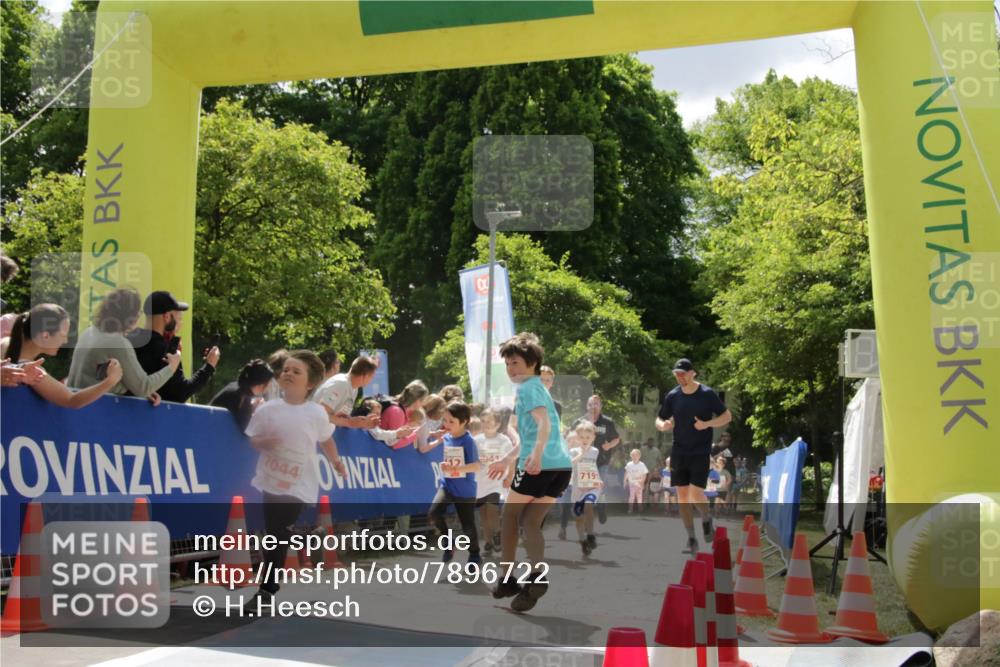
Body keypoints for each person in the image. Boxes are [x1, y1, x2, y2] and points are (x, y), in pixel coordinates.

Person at [243, 350, 346, 611]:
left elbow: (326, 438)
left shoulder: (316, 413)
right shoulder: (268, 409)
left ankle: (266, 590)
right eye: (286, 369)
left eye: (296, 371)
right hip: (271, 479)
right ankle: (309, 537)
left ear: (310, 384)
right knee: (274, 532)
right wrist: (264, 442)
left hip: (299, 483)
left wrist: (336, 461)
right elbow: (253, 439)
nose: (288, 373)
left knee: (277, 534)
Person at [489, 332, 571, 613]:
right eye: (508, 364)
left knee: (510, 516)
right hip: (561, 467)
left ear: (533, 363)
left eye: (515, 363)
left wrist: (535, 455)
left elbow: (543, 423)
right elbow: (531, 434)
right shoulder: (539, 387)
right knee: (531, 522)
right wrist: (507, 459)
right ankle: (536, 577)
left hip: (540, 464)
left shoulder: (527, 389)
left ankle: (508, 578)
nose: (511, 369)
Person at [655, 358, 732, 554]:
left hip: (700, 451)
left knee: (696, 494)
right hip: (679, 451)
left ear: (692, 373)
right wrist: (662, 425)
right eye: (677, 374)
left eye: (683, 373)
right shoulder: (673, 396)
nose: (680, 377)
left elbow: (726, 416)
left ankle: (706, 517)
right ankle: (691, 539)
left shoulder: (706, 394)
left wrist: (707, 424)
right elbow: (660, 418)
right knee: (682, 497)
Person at [0, 304, 124, 408]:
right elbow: (72, 400)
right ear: (45, 336)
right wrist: (111, 380)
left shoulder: (6, 349)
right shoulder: (33, 372)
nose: (65, 341)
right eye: (63, 335)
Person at [67, 287, 180, 401]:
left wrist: (135, 390)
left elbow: (95, 376)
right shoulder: (117, 343)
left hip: (78, 404)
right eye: (138, 312)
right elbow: (144, 387)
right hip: (96, 408)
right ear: (130, 316)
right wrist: (171, 367)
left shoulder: (90, 332)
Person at [127, 290, 220, 403]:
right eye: (178, 319)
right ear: (166, 317)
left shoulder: (128, 340)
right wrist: (209, 366)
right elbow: (180, 393)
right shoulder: (164, 350)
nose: (180, 324)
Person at [426, 401, 482, 566]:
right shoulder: (447, 436)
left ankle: (474, 555)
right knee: (434, 513)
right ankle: (449, 542)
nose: (446, 424)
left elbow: (477, 466)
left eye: (451, 421)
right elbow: (447, 453)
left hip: (465, 489)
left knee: (467, 526)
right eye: (445, 420)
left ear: (464, 422)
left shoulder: (469, 441)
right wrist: (446, 467)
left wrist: (457, 468)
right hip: (448, 485)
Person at [474, 408, 514, 556]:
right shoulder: (476, 440)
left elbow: (511, 460)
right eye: (483, 421)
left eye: (489, 421)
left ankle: (497, 534)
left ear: (498, 423)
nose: (486, 424)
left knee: (492, 509)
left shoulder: (504, 440)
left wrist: (509, 477)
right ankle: (488, 543)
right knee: (484, 514)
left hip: (496, 481)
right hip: (480, 481)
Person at [575, 394, 619, 524]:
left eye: (596, 404)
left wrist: (609, 445)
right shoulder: (580, 421)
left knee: (600, 487)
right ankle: (586, 516)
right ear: (586, 406)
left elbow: (616, 439)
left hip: (602, 462)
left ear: (600, 406)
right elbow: (571, 437)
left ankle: (601, 508)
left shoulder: (607, 422)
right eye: (590, 404)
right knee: (586, 488)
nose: (593, 406)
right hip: (584, 462)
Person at [312, 355, 379, 430]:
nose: (372, 380)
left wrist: (361, 421)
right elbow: (321, 415)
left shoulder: (354, 388)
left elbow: (340, 417)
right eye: (372, 377)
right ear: (365, 376)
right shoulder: (341, 384)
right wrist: (350, 422)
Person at [209, 359, 274, 431]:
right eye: (270, 382)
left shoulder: (236, 387)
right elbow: (247, 431)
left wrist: (252, 408)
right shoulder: (242, 397)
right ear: (261, 385)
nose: (270, 386)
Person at [569, 420, 602, 555]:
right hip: (578, 488)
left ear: (593, 437)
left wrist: (599, 479)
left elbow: (593, 467)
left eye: (588, 437)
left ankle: (590, 535)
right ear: (577, 438)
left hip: (591, 486)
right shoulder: (573, 451)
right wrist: (581, 454)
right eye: (582, 437)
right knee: (579, 519)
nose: (585, 440)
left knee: (588, 505)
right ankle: (582, 541)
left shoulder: (595, 451)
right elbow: (570, 464)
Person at [624, 449, 649, 514]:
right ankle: (630, 508)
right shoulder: (629, 464)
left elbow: (644, 474)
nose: (635, 456)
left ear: (639, 456)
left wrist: (642, 482)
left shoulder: (642, 465)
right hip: (632, 483)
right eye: (633, 455)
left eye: (636, 455)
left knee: (639, 496)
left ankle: (640, 507)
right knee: (631, 496)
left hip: (639, 483)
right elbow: (626, 473)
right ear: (631, 456)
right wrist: (625, 481)